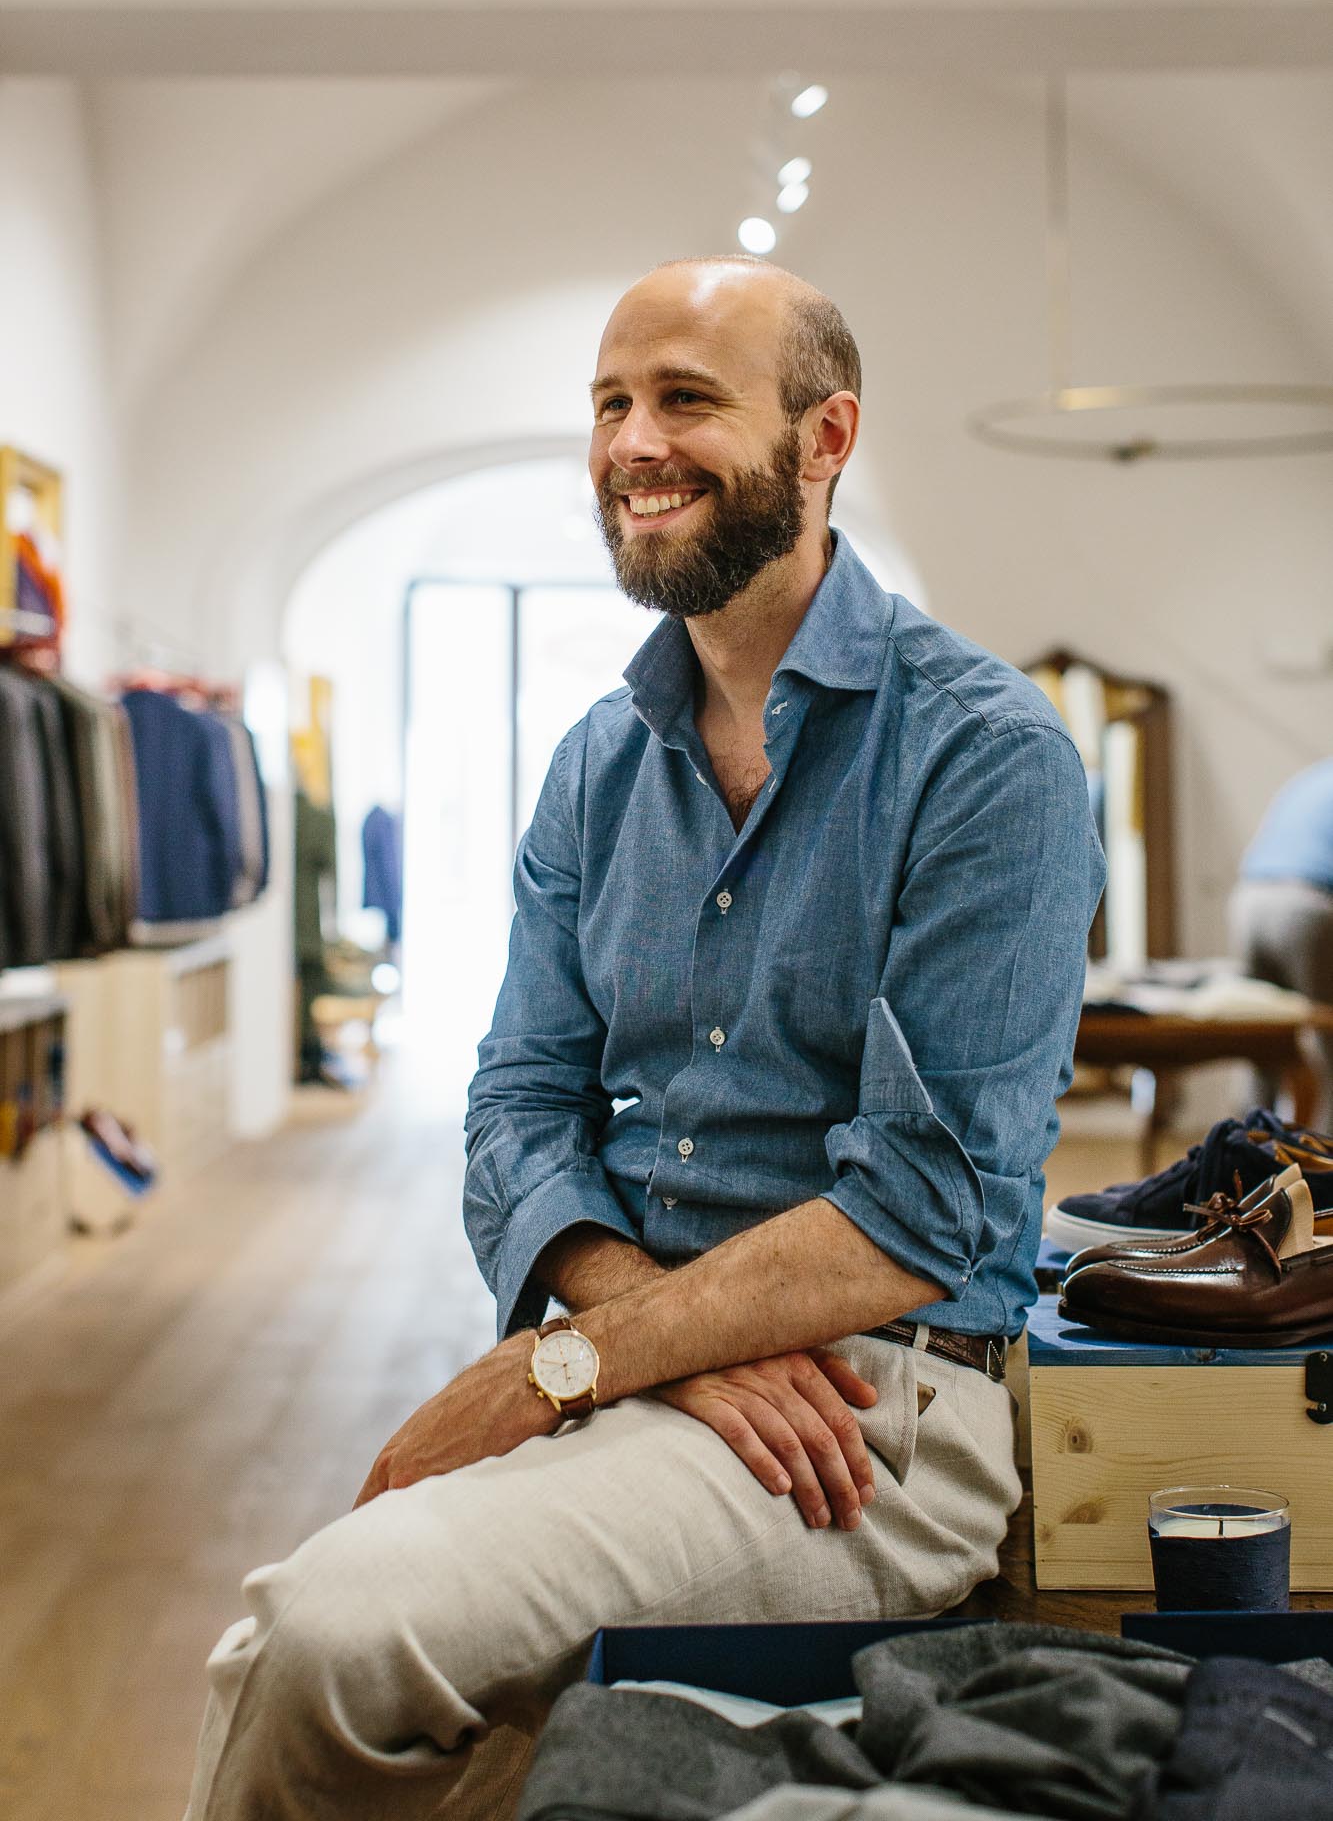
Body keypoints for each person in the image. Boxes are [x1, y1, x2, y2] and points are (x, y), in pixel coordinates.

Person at [184, 257, 1105, 1821]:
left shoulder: (987, 757)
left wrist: (563, 1368)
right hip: (663, 1373)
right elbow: (517, 1101)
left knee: (330, 1633)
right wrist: (638, 1346)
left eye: (686, 399)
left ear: (826, 441)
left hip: (874, 1416)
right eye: (610, 403)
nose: (631, 442)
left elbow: (923, 1206)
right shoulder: (600, 762)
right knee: (403, 1695)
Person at [1230, 756, 1333, 1129]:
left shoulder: (1310, 777)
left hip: (1250, 901)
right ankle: (1327, 1169)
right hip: (1309, 907)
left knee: (1262, 1042)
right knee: (1329, 1044)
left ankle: (1245, 1150)